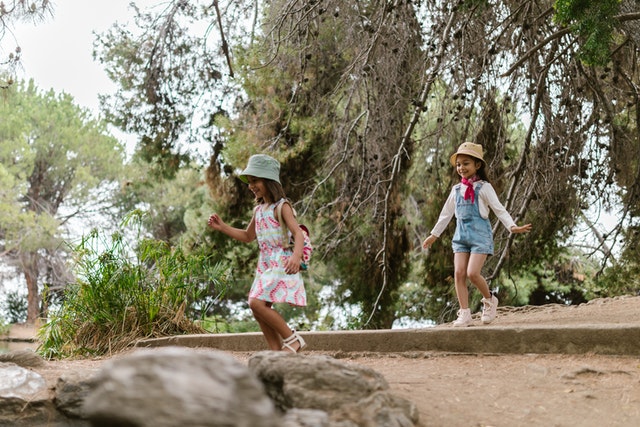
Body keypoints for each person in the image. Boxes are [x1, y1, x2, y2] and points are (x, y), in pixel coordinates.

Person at [422, 142, 532, 327]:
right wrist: (434, 234)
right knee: (459, 273)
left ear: (477, 165)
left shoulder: (484, 187)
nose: (461, 168)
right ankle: (464, 313)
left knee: (473, 273)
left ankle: (489, 300)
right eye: (458, 164)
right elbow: (446, 214)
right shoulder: (456, 190)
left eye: (466, 163)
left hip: (480, 236)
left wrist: (511, 226)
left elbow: (499, 209)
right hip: (461, 236)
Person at [207, 154, 307, 352]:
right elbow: (247, 236)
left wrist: (296, 256)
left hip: (281, 260)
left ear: (269, 181)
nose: (251, 185)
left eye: (255, 181)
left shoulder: (282, 206)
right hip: (266, 264)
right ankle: (275, 351)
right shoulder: (259, 210)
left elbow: (298, 233)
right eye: (249, 182)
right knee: (260, 309)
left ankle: (293, 339)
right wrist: (223, 227)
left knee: (255, 303)